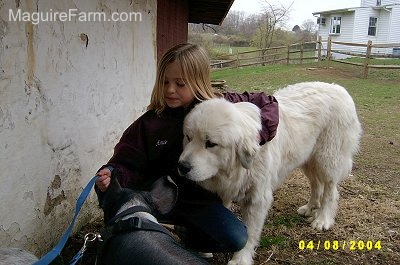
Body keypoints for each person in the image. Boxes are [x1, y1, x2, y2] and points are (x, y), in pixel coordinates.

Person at [95, 43, 279, 254]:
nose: (170, 89)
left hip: (197, 201)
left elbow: (269, 103)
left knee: (235, 238)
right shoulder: (148, 124)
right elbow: (126, 161)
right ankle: (155, 227)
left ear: (198, 81)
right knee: (142, 245)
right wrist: (113, 173)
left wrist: (252, 135)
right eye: (164, 82)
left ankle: (188, 234)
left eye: (180, 83)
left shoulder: (219, 107)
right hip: (154, 197)